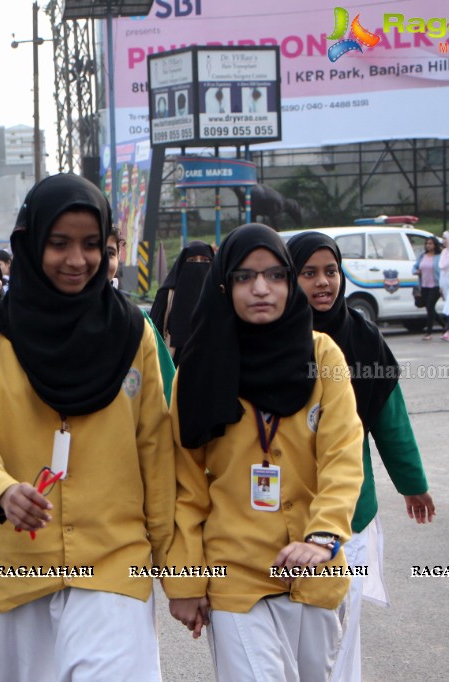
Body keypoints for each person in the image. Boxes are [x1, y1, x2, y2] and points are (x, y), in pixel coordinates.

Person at [0, 173, 175, 681]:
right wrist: (2, 492)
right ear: (31, 244)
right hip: (20, 569)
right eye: (60, 243)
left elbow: (155, 451)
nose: (77, 260)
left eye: (92, 245)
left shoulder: (134, 332)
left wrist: (175, 567)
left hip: (114, 562)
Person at [165, 223, 364, 682]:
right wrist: (185, 581)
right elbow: (185, 488)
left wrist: (324, 536)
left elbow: (342, 454)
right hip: (235, 575)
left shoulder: (322, 355)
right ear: (223, 284)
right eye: (244, 277)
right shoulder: (196, 372)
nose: (261, 288)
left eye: (275, 275)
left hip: (315, 570)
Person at [289, 231, 436, 682]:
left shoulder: (363, 338)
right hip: (280, 511)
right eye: (309, 273)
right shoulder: (268, 340)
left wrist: (412, 484)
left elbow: (391, 420)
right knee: (293, 632)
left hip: (352, 512)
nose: (323, 283)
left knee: (341, 627)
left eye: (330, 271)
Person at [107, 227, 176, 403]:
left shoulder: (138, 323)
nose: (101, 262)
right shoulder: (40, 320)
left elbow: (165, 393)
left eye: (109, 253)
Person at [148, 240, 213, 363]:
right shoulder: (167, 294)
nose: (198, 265)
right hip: (174, 366)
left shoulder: (221, 293)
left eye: (205, 260)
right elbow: (152, 333)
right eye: (192, 261)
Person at [412, 236, 442, 340]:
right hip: (424, 285)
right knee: (429, 307)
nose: (428, 245)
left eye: (430, 244)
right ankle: (445, 325)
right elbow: (415, 266)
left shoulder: (439, 256)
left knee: (430, 306)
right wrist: (415, 271)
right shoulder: (423, 256)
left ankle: (429, 332)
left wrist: (442, 285)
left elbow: (442, 270)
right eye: (427, 243)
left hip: (436, 285)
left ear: (435, 245)